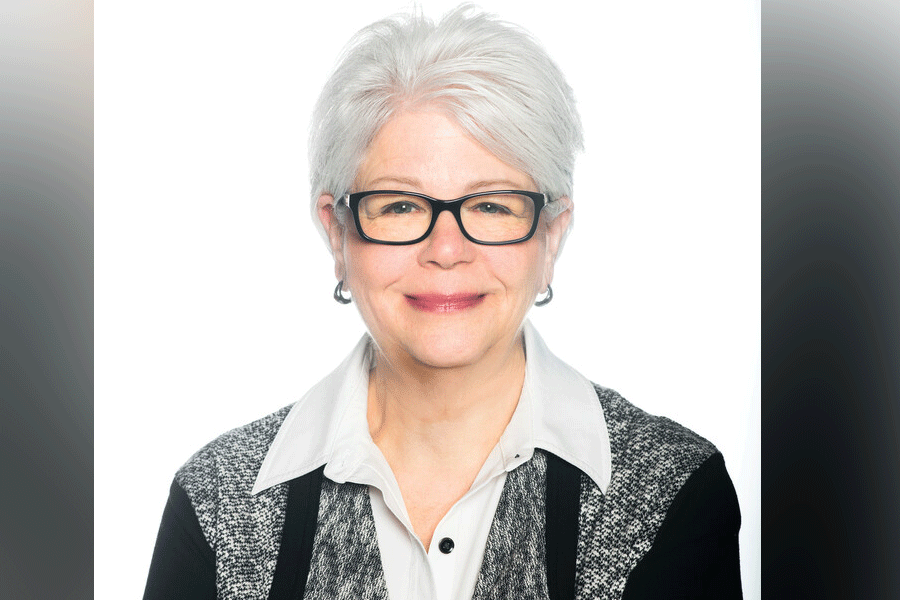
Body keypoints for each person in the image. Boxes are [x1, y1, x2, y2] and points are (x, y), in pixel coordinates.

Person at [143, 6, 742, 600]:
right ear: (337, 233)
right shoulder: (218, 504)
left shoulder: (670, 493)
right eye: (402, 206)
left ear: (552, 234)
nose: (447, 249)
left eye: (492, 205)